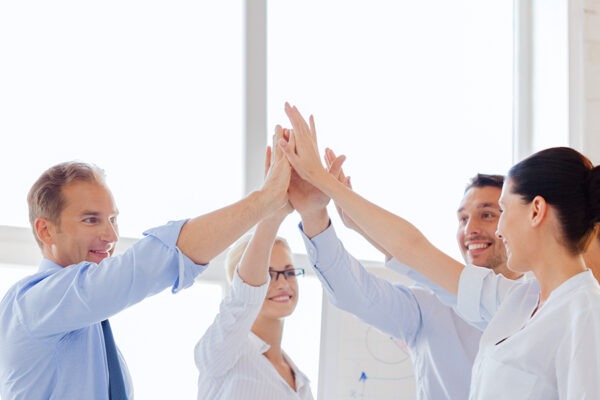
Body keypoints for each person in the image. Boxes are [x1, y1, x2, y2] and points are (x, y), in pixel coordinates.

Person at [280, 102, 600, 399]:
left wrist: (324, 180)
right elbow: (414, 248)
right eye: (463, 218)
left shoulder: (585, 315)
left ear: (536, 210)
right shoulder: (520, 300)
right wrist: (328, 193)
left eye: (500, 211)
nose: (499, 229)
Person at [0, 133, 291, 400]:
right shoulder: (33, 303)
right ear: (45, 230)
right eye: (91, 220)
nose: (110, 236)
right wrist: (265, 201)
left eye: (112, 220)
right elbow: (147, 265)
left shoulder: (90, 326)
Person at [287, 140, 521, 399]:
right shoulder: (427, 307)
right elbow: (351, 290)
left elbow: (412, 249)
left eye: (487, 215)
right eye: (463, 219)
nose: (470, 230)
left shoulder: (538, 301)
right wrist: (314, 215)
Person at [194, 136, 314, 400]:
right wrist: (271, 217)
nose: (282, 282)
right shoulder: (223, 353)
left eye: (289, 271)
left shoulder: (301, 381)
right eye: (268, 275)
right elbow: (243, 297)